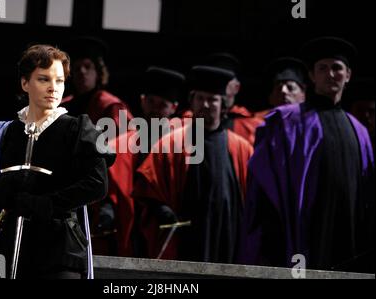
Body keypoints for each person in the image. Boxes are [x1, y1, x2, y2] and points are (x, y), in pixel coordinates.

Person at [0, 44, 115, 279]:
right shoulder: (3, 133)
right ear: (25, 83)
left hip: (59, 252)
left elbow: (97, 184)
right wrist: (2, 190)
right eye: (44, 79)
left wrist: (47, 204)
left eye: (59, 80)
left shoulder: (77, 130)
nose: (53, 88)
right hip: (6, 252)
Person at [238, 37, 374, 272]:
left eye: (337, 68)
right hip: (303, 232)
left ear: (348, 74)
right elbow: (264, 184)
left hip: (347, 234)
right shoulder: (286, 121)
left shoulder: (359, 131)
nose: (330, 74)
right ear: (312, 76)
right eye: (322, 68)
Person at [133, 66, 253, 262]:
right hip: (183, 238)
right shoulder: (171, 144)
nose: (205, 104)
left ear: (222, 104)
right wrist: (161, 209)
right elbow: (147, 187)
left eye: (212, 99)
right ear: (192, 102)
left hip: (227, 236)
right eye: (199, 98)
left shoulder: (241, 149)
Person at [97, 66, 186, 257]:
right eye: (151, 102)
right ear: (142, 101)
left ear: (174, 108)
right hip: (129, 226)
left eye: (162, 104)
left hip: (166, 229)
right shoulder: (118, 145)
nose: (155, 109)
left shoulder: (183, 147)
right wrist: (107, 209)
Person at [61, 36, 133, 128]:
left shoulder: (111, 106)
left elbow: (129, 139)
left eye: (87, 67)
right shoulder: (62, 107)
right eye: (77, 68)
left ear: (98, 72)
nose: (82, 71)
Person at [203, 52, 263, 145]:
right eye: (214, 79)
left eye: (225, 80)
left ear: (236, 88)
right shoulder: (190, 120)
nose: (219, 84)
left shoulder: (252, 126)